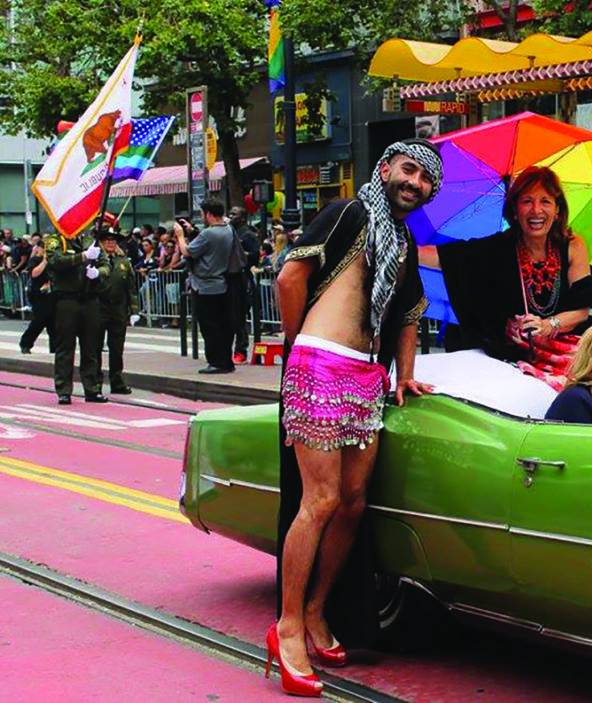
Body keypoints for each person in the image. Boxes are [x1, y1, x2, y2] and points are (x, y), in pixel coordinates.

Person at [270, 138, 442, 697]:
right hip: (321, 365)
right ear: (387, 167)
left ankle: (318, 610)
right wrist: (300, 346)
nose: (414, 183)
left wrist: (406, 373)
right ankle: (288, 627)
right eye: (409, 170)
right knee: (317, 501)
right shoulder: (348, 211)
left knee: (351, 503)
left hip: (369, 377)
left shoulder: (404, 240)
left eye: (426, 180)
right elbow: (290, 277)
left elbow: (410, 313)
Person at [419, 166, 592, 389]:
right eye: (527, 201)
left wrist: (548, 325)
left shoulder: (573, 245)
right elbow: (447, 257)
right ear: (515, 210)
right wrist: (400, 247)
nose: (536, 210)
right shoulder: (498, 247)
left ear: (557, 210)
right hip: (520, 351)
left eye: (545, 201)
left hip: (570, 341)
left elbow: (581, 311)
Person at [46, 227, 109, 404]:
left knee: (91, 347)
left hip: (90, 300)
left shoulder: (91, 241)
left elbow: (106, 265)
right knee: (65, 346)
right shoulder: (56, 240)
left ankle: (92, 388)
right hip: (67, 299)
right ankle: (64, 390)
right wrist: (82, 257)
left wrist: (98, 273)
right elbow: (55, 261)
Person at [173, 199, 237, 374]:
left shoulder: (209, 234)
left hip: (205, 285)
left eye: (203, 213)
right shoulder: (228, 230)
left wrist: (180, 236)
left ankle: (216, 362)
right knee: (222, 325)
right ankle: (225, 360)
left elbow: (187, 251)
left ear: (208, 214)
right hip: (222, 283)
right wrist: (193, 231)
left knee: (209, 326)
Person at [97, 229, 139, 395]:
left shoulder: (124, 262)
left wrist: (134, 310)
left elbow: (131, 288)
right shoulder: (94, 260)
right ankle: (95, 383)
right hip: (98, 308)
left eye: (113, 241)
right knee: (95, 348)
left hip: (118, 309)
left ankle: (117, 381)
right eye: (107, 240)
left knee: (117, 348)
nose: (110, 243)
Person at [227, 205, 257, 366]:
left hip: (242, 278)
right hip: (227, 278)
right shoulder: (227, 232)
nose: (231, 216)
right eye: (230, 213)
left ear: (243, 218)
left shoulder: (248, 235)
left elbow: (254, 256)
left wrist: (238, 253)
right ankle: (225, 351)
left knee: (239, 318)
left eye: (234, 214)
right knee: (227, 318)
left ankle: (240, 351)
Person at [18, 239, 54, 354]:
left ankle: (55, 348)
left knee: (54, 323)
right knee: (38, 322)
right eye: (43, 247)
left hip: (52, 294)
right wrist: (44, 261)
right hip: (38, 295)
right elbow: (34, 273)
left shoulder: (54, 261)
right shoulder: (35, 260)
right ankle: (25, 343)